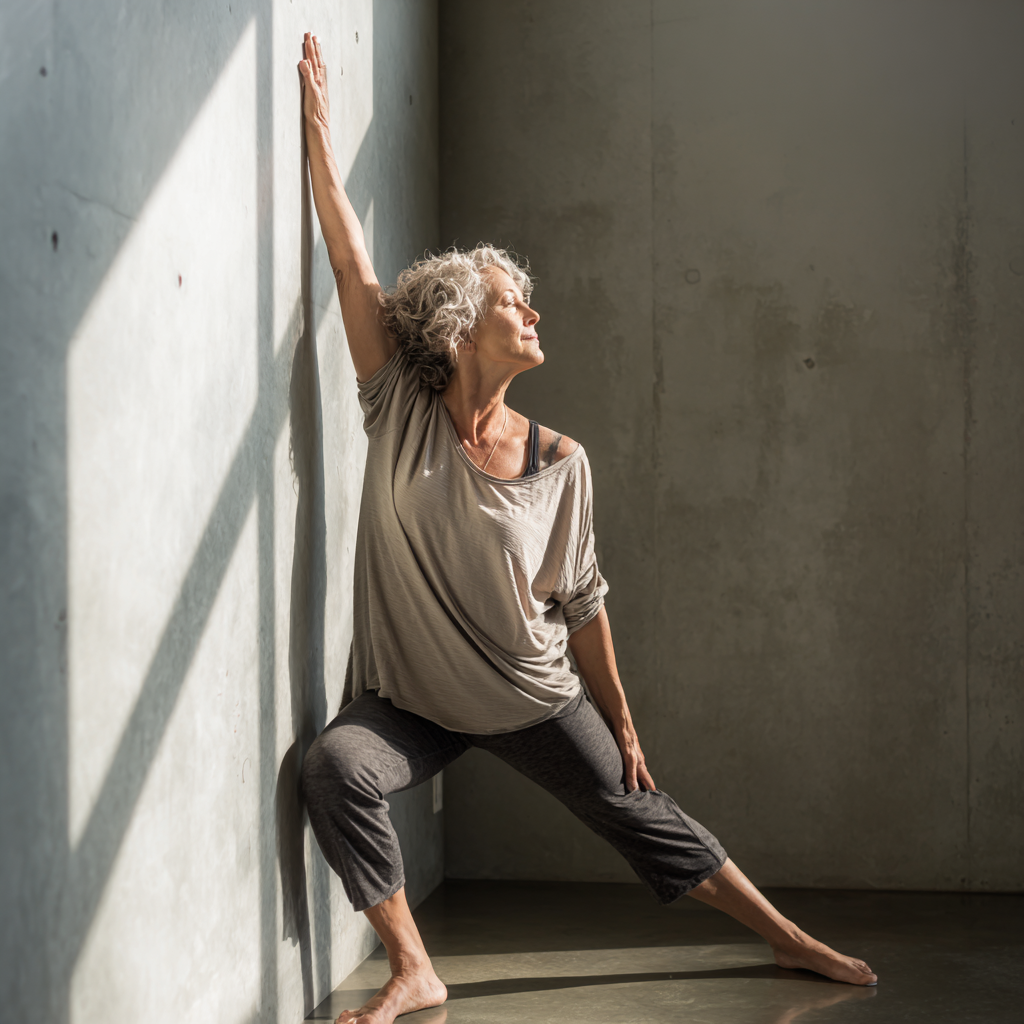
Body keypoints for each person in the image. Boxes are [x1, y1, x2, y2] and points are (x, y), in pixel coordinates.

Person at [296, 32, 877, 1024]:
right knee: (333, 766)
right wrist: (315, 120)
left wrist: (622, 719)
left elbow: (582, 601)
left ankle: (787, 940)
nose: (532, 308)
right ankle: (413, 968)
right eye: (513, 299)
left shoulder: (561, 461)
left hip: (529, 692)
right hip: (413, 702)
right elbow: (350, 261)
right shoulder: (395, 402)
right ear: (459, 323)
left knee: (641, 811)